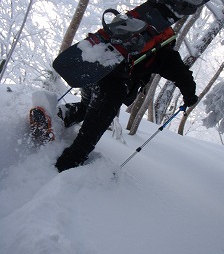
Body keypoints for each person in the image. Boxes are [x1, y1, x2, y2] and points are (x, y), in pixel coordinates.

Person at [55, 38, 198, 172]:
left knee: (85, 108)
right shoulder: (162, 50)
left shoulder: (130, 33)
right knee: (91, 131)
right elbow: (181, 73)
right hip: (113, 85)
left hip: (95, 70)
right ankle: (62, 168)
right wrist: (190, 95)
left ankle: (54, 117)